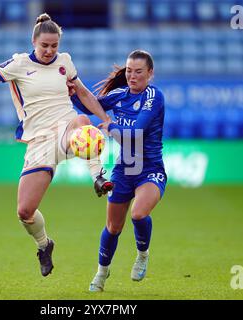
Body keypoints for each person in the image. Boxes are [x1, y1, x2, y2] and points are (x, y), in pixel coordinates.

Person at [0, 13, 114, 277]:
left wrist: (105, 120)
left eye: (54, 46)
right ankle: (44, 245)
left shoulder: (65, 62)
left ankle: (98, 176)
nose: (50, 51)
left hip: (65, 127)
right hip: (38, 141)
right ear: (33, 41)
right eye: (44, 45)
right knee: (25, 211)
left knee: (82, 120)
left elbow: (82, 93)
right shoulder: (18, 64)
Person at [70, 50, 167, 291]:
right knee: (113, 227)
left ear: (150, 73)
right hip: (124, 170)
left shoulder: (154, 96)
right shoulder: (119, 95)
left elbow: (137, 133)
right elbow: (89, 105)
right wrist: (73, 93)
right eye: (129, 71)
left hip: (150, 169)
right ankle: (102, 273)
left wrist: (110, 125)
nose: (132, 76)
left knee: (138, 213)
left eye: (138, 72)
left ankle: (142, 254)